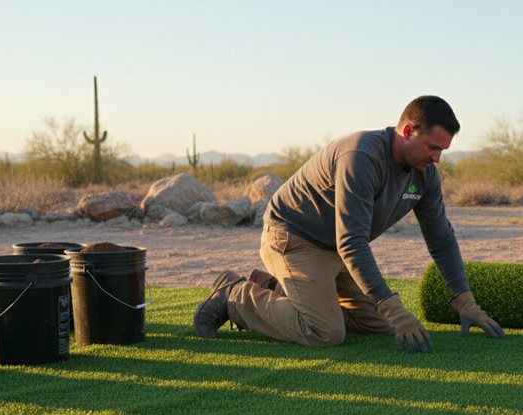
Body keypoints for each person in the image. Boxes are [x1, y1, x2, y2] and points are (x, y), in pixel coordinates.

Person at [193, 95, 503, 352]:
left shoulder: (425, 175)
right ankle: (235, 295)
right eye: (433, 147)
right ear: (408, 131)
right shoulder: (362, 155)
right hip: (293, 237)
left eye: (443, 150)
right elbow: (352, 241)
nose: (437, 158)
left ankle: (272, 287)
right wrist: (394, 306)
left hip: (335, 247)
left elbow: (441, 238)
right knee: (324, 332)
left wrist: (464, 299)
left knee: (379, 324)